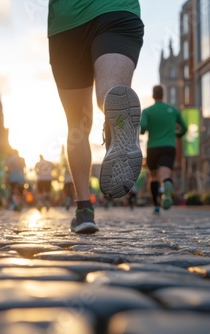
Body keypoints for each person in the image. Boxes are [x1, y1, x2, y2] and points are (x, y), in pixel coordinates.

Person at [48, 1, 144, 233]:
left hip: (66, 22)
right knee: (110, 92)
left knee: (77, 125)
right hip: (116, 10)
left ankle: (84, 209)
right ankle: (115, 120)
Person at [140, 85, 188, 215]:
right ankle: (167, 184)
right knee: (165, 175)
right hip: (169, 147)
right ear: (163, 95)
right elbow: (184, 128)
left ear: (153, 95)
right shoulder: (173, 110)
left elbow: (142, 128)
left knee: (154, 177)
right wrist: (177, 135)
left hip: (153, 148)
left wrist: (144, 129)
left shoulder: (147, 111)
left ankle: (156, 206)